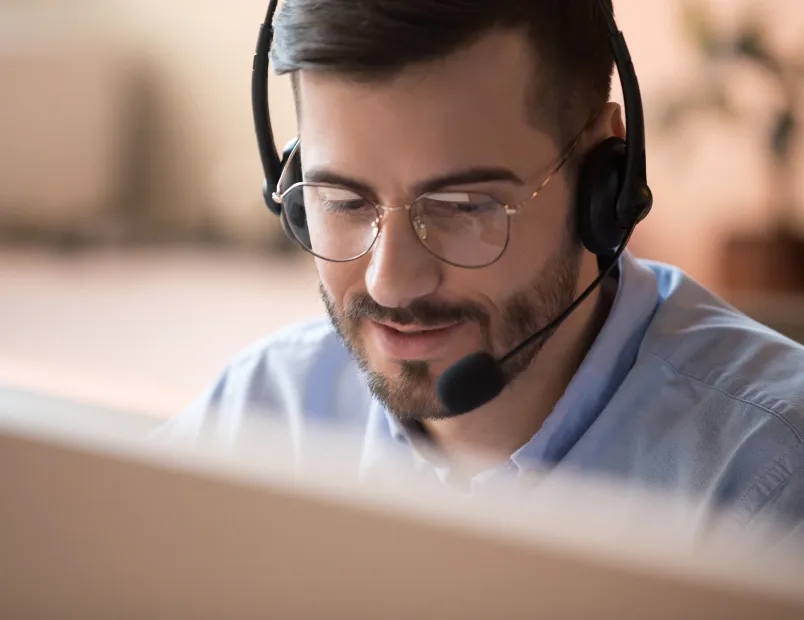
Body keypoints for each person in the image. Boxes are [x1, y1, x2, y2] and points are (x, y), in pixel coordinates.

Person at [161, 0, 804, 537]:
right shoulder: (260, 414)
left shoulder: (769, 481)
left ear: (603, 184)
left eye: (462, 207)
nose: (390, 282)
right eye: (343, 202)